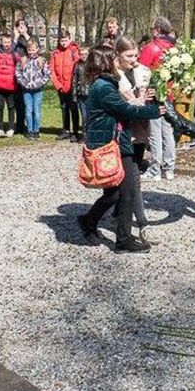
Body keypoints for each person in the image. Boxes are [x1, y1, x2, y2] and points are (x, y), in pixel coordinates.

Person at [78, 45, 163, 253]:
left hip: (117, 142)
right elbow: (124, 109)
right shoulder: (104, 87)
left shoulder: (105, 83)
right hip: (111, 144)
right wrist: (153, 111)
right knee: (125, 191)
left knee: (120, 192)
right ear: (105, 63)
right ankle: (122, 239)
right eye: (113, 59)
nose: (117, 61)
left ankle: (89, 221)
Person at [114, 37, 157, 246]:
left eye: (135, 55)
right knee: (132, 180)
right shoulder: (113, 75)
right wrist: (141, 102)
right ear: (118, 55)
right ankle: (142, 224)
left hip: (139, 130)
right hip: (122, 132)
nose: (133, 59)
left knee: (131, 176)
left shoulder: (144, 71)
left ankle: (110, 215)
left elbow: (148, 99)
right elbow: (124, 103)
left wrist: (151, 96)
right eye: (129, 56)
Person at [137, 16, 177, 181]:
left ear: (158, 30)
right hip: (170, 94)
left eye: (152, 29)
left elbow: (142, 72)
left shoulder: (151, 48)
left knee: (154, 133)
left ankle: (154, 169)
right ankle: (169, 168)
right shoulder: (174, 48)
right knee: (168, 132)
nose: (151, 31)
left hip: (154, 94)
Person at [49, 32, 83, 142]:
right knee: (64, 108)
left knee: (73, 108)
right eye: (62, 41)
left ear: (70, 39)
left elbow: (78, 69)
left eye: (66, 40)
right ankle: (66, 130)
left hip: (72, 86)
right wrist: (58, 85)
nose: (64, 43)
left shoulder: (74, 51)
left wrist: (74, 85)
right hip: (61, 86)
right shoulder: (55, 53)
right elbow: (52, 70)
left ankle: (76, 131)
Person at [15, 39, 50, 139]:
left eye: (33, 49)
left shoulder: (42, 60)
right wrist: (23, 83)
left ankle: (36, 130)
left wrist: (39, 84)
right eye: (29, 49)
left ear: (37, 50)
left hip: (38, 90)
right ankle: (30, 130)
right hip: (26, 90)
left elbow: (47, 74)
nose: (31, 51)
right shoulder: (23, 60)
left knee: (36, 110)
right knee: (28, 110)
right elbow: (18, 72)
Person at [0, 35, 21, 137]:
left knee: (11, 107)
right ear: (1, 42)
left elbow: (20, 67)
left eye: (9, 42)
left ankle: (11, 127)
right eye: (5, 42)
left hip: (11, 85)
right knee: (0, 107)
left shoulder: (15, 55)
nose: (7, 44)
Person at [12, 20, 31, 134]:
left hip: (29, 74)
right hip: (16, 72)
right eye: (19, 26)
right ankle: (19, 125)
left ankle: (30, 126)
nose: (21, 27)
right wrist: (16, 36)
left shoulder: (30, 38)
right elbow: (9, 50)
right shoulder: (14, 40)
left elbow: (34, 47)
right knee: (18, 101)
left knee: (28, 102)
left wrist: (25, 35)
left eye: (23, 25)